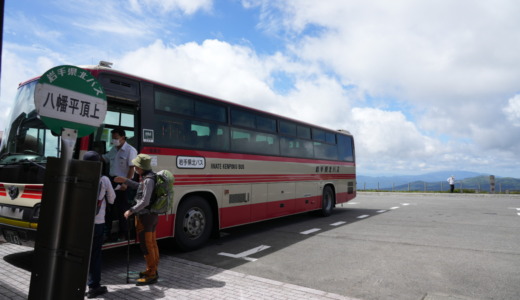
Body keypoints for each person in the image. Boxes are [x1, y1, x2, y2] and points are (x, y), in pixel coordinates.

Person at [115, 154, 159, 285]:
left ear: (140, 167)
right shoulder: (149, 177)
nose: (134, 168)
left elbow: (145, 201)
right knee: (151, 244)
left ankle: (151, 274)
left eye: (136, 166)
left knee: (147, 245)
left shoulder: (148, 180)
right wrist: (125, 180)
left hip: (146, 217)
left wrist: (131, 210)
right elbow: (140, 187)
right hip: (150, 216)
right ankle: (152, 269)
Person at [83, 151, 116, 298]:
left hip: (80, 222)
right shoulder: (104, 180)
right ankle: (94, 286)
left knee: (81, 253)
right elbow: (112, 199)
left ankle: (77, 284)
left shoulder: (79, 176)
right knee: (95, 255)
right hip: (97, 222)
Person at [102, 127, 137, 241]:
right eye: (112, 138)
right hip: (112, 181)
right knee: (109, 207)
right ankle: (107, 232)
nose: (114, 140)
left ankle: (124, 233)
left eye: (116, 138)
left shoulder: (130, 150)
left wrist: (126, 183)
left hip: (124, 182)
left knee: (123, 208)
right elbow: (105, 158)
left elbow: (132, 168)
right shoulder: (114, 149)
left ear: (123, 137)